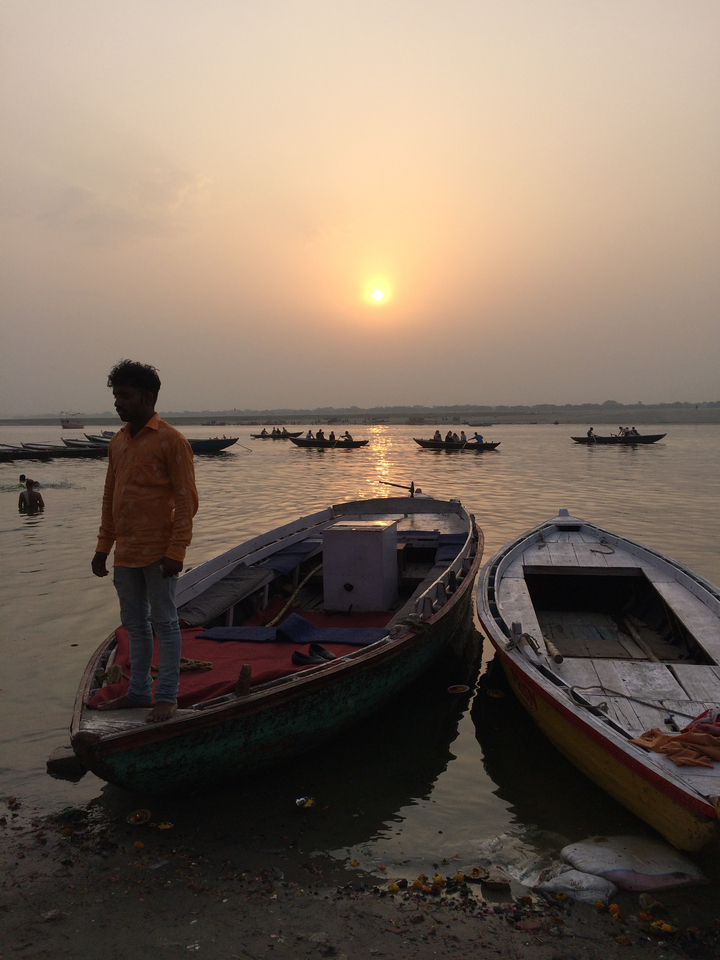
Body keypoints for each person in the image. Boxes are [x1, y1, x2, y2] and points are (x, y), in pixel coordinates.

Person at [90, 360, 198, 724]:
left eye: (125, 396)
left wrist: (177, 549)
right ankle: (138, 692)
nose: (117, 403)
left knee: (165, 623)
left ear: (147, 397)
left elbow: (186, 499)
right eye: (116, 395)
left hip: (160, 552)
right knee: (134, 625)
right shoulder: (118, 442)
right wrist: (103, 547)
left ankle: (166, 696)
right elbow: (111, 497)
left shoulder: (172, 441)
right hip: (126, 551)